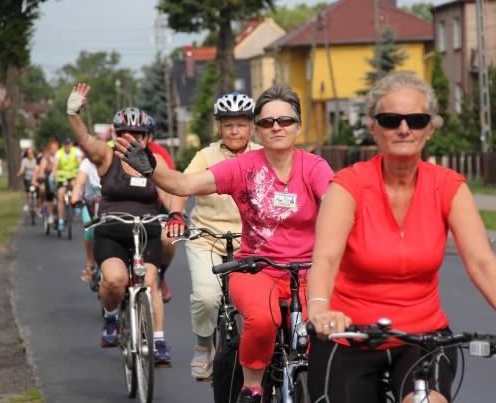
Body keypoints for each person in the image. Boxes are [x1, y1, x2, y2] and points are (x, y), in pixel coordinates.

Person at [305, 72, 496, 403]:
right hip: (349, 335)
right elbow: (325, 259)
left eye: (416, 119)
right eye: (390, 120)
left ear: (430, 129)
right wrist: (320, 310)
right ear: (373, 127)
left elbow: (482, 262)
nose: (403, 129)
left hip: (423, 338)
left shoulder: (448, 186)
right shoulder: (349, 185)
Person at [115, 84, 334, 403]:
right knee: (261, 320)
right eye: (267, 121)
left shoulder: (314, 167)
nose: (277, 127)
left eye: (285, 120)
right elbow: (184, 184)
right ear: (257, 131)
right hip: (259, 270)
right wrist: (152, 169)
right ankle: (252, 388)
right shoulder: (243, 167)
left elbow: (334, 205)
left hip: (310, 271)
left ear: (298, 127)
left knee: (323, 329)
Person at [65, 83, 172, 367]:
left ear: (148, 137)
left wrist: (176, 215)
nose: (132, 138)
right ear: (116, 135)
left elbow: (172, 191)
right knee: (113, 280)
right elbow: (85, 140)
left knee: (150, 281)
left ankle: (159, 340)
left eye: (138, 133)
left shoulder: (156, 160)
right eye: (126, 133)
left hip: (147, 231)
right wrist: (73, 112)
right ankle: (111, 317)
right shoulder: (106, 156)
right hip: (112, 230)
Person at [164, 92, 262, 380]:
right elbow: (182, 185)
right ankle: (203, 346)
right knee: (208, 296)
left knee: (259, 305)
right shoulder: (206, 156)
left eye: (241, 125)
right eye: (228, 125)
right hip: (207, 237)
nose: (235, 131)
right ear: (219, 128)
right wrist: (176, 215)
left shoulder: (261, 155)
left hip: (250, 242)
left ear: (251, 127)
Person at [144, 116, 176, 304]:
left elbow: (172, 185)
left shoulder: (159, 154)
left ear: (150, 136)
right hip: (126, 209)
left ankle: (161, 275)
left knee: (169, 238)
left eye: (142, 134)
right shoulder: (114, 153)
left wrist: (177, 214)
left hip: (157, 206)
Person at [70, 148, 102, 282]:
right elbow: (79, 182)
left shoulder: (110, 161)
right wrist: (75, 197)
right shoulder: (87, 163)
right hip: (90, 203)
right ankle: (90, 263)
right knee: (90, 232)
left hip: (107, 203)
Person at [54, 137, 83, 231]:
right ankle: (61, 220)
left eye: (69, 144)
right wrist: (56, 174)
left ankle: (76, 203)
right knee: (60, 195)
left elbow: (80, 162)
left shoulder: (76, 151)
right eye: (65, 144)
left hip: (73, 175)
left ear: (71, 144)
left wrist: (80, 172)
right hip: (62, 177)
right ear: (63, 145)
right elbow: (55, 166)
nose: (67, 146)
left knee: (76, 184)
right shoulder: (59, 153)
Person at [32, 139, 59, 224]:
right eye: (53, 148)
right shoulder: (45, 158)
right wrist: (42, 182)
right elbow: (41, 171)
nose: (54, 150)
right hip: (48, 180)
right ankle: (50, 214)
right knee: (48, 195)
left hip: (59, 179)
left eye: (56, 148)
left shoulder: (60, 157)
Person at [17, 148, 37, 212]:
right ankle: (27, 204)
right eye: (29, 153)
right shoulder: (24, 160)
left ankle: (38, 205)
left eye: (32, 153)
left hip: (35, 178)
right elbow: (22, 169)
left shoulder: (36, 160)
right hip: (27, 178)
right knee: (27, 191)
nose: (30, 155)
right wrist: (19, 173)